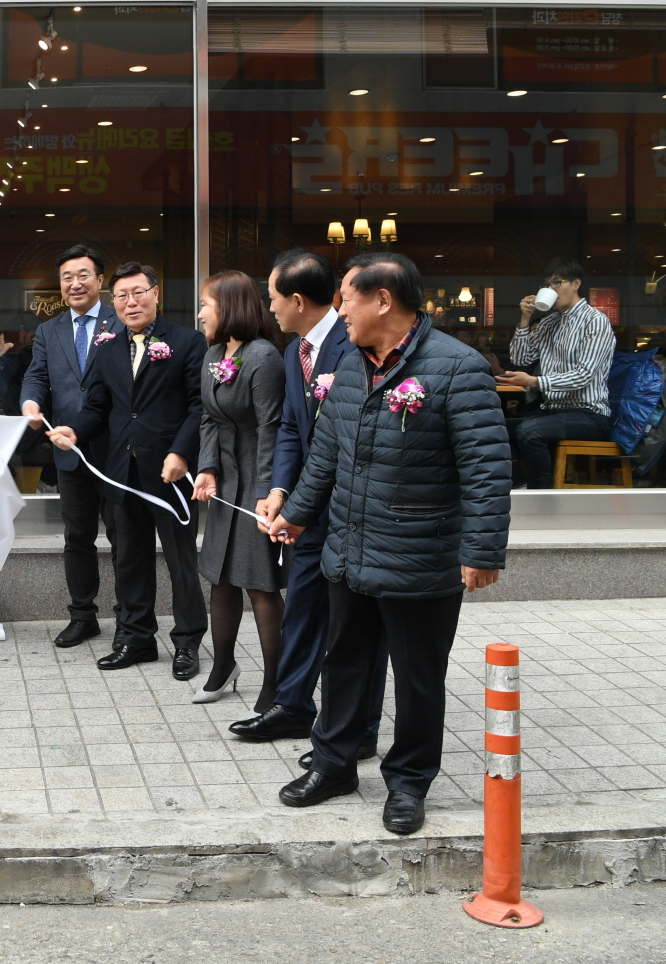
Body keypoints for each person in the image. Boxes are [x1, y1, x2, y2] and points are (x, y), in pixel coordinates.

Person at [269, 252, 511, 836]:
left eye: (348, 297)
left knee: (417, 675)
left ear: (384, 300)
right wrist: (297, 516)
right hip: (349, 550)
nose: (341, 308)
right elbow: (325, 451)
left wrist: (480, 551)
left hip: (419, 554)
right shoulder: (353, 364)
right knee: (344, 660)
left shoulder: (457, 367)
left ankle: (408, 781)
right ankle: (334, 765)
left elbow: (487, 468)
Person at [238, 250, 387, 771]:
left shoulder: (357, 345)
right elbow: (290, 431)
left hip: (346, 508)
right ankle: (294, 705)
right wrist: (280, 490)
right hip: (303, 508)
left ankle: (360, 728)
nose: (270, 309)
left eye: (274, 299)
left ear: (297, 299)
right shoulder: (293, 351)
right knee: (302, 608)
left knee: (354, 626)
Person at [45, 261, 208, 677]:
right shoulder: (108, 347)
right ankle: (137, 639)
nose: (130, 302)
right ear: (112, 301)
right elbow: (98, 408)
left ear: (156, 293)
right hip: (122, 470)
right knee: (130, 559)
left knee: (180, 561)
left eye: (138, 292)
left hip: (169, 470)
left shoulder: (188, 342)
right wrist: (74, 431)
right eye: (122, 296)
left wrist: (182, 453)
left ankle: (188, 643)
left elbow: (197, 407)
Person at [19, 244, 127, 651]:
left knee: (123, 537)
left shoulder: (123, 321)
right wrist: (30, 403)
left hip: (116, 449)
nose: (75, 283)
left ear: (101, 281)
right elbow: (36, 377)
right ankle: (83, 616)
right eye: (67, 277)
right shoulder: (50, 330)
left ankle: (127, 617)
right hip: (68, 449)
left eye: (83, 275)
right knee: (77, 537)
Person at [189, 271, 287, 708]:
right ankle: (223, 666)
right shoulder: (214, 352)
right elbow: (210, 418)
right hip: (226, 481)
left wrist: (268, 491)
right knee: (221, 578)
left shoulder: (263, 357)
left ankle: (277, 683)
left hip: (258, 482)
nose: (199, 313)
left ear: (228, 306)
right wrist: (206, 468)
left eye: (205, 304)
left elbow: (272, 429)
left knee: (261, 584)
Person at [501, 258, 616, 488]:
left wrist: (534, 381)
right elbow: (520, 359)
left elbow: (584, 374)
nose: (551, 289)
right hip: (554, 412)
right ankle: (519, 485)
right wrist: (525, 319)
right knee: (497, 429)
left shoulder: (596, 321)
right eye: (547, 284)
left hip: (589, 415)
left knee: (529, 432)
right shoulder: (549, 322)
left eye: (557, 283)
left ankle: (541, 497)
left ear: (576, 284)